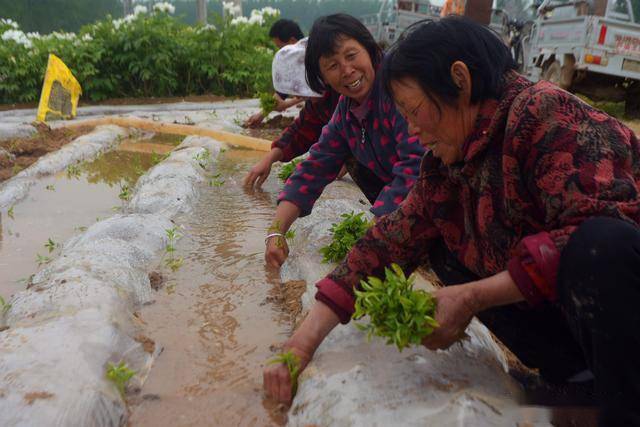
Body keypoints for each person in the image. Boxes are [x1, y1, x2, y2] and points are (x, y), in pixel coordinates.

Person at [263, 17, 640, 426]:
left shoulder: (547, 115)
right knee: (444, 246)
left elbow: (598, 237)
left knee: (598, 245)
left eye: (414, 111)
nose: (412, 129)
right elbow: (389, 241)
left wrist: (471, 297)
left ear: (459, 80)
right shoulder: (450, 160)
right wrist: (301, 345)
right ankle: (576, 380)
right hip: (583, 323)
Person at [263, 14, 425, 268]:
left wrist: (373, 233)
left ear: (369, 49)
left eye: (351, 56)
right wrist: (276, 231)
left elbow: (416, 168)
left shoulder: (398, 90)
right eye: (332, 65)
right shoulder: (346, 110)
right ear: (323, 77)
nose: (347, 70)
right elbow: (315, 167)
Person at [244, 37, 342, 189]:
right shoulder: (316, 104)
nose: (299, 97)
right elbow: (301, 131)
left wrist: (345, 161)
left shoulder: (344, 95)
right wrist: (269, 159)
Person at [245, 19, 306, 128]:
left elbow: (318, 91)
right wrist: (261, 115)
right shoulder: (291, 63)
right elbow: (280, 94)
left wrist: (287, 104)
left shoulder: (313, 57)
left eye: (281, 47)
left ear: (292, 41)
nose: (280, 52)